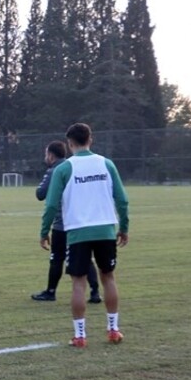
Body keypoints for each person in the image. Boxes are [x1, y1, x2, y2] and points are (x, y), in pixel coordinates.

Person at [40, 122, 129, 347]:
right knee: (108, 277)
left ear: (69, 143)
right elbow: (122, 199)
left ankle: (80, 336)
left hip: (77, 231)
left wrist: (44, 231)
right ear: (91, 139)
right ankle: (113, 330)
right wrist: (124, 227)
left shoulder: (63, 168)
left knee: (78, 283)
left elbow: (51, 205)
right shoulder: (106, 164)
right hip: (105, 229)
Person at [33, 140, 100, 304]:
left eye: (46, 154)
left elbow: (40, 194)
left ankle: (50, 291)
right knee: (85, 257)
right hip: (82, 220)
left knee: (57, 257)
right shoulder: (76, 166)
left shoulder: (55, 171)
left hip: (62, 222)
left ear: (50, 155)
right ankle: (95, 292)